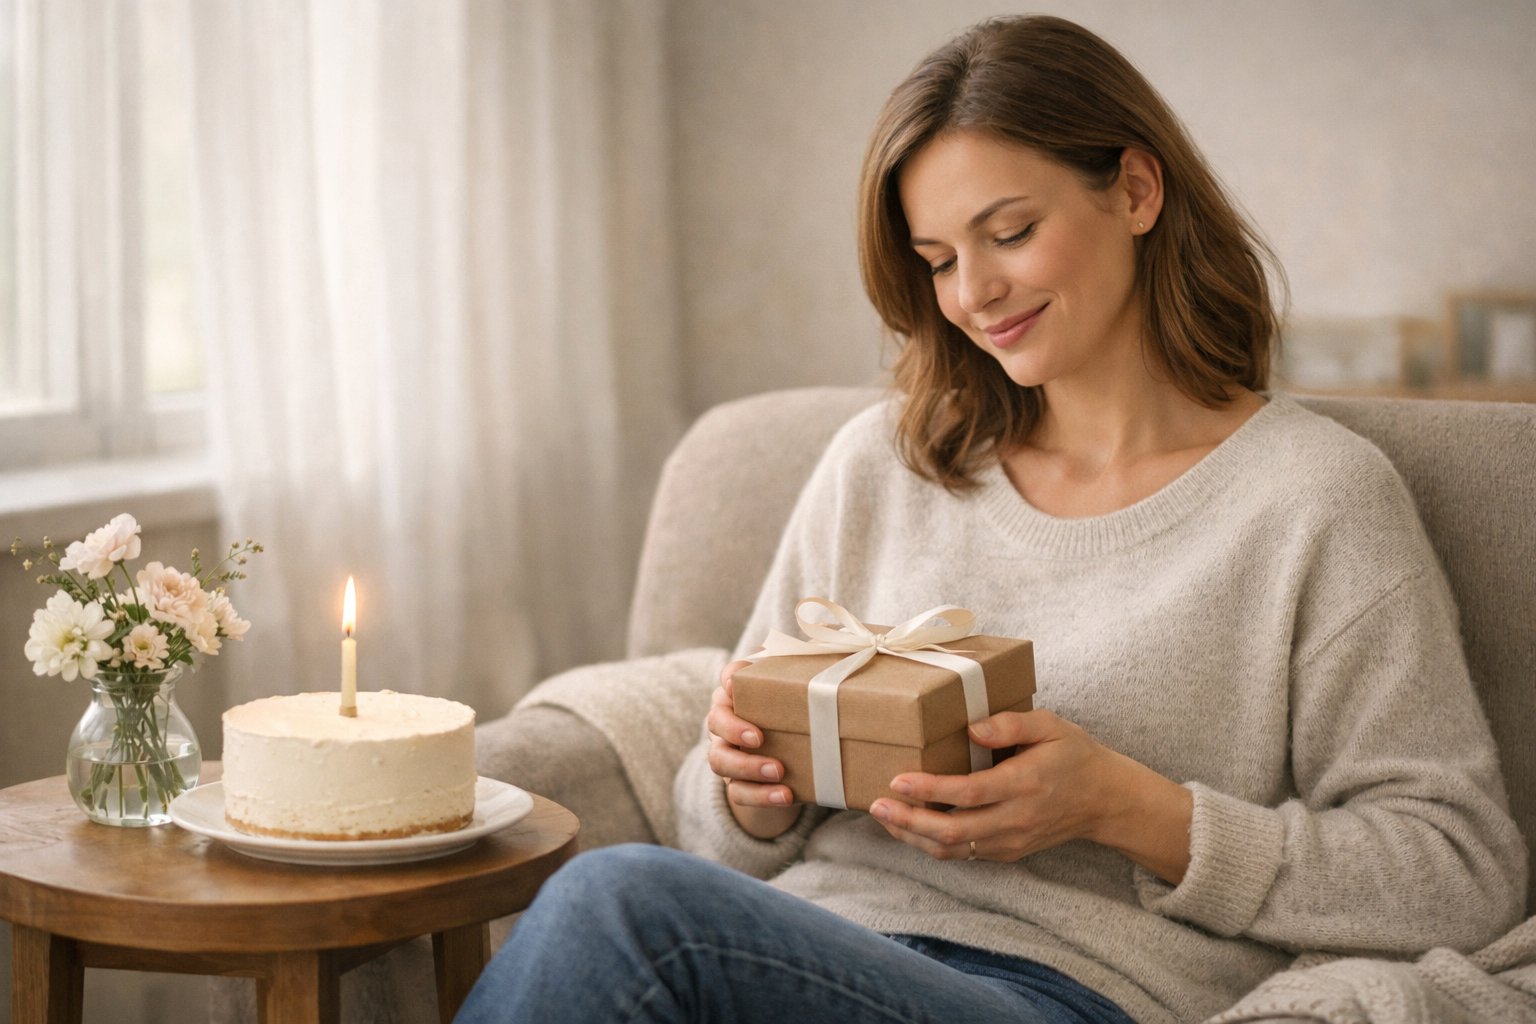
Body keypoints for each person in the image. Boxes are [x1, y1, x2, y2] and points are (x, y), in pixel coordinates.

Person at [454, 15, 1525, 1024]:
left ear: (1138, 190)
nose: (972, 293)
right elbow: (713, 821)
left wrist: (1124, 807)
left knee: (624, 907)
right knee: (636, 912)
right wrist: (753, 794)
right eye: (937, 261)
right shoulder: (885, 463)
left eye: (1008, 232)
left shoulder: (1312, 499)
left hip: (1065, 991)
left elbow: (1459, 870)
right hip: (804, 944)